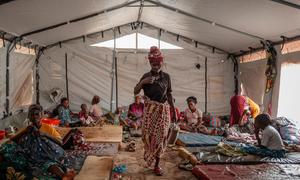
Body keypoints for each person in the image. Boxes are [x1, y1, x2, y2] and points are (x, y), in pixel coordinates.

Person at [134, 46, 177, 176]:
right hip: (149, 112)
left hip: (163, 111)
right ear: (150, 63)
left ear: (161, 63)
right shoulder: (146, 76)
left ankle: (157, 165)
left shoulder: (166, 77)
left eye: (158, 63)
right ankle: (149, 157)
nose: (156, 66)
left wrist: (173, 111)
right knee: (148, 137)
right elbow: (135, 91)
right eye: (153, 63)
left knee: (161, 138)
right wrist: (143, 82)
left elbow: (169, 94)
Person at [4, 104, 76, 179]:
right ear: (29, 117)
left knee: (49, 164)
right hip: (32, 156)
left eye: (37, 114)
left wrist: (44, 134)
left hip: (49, 154)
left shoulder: (48, 128)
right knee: (7, 147)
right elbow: (12, 141)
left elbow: (60, 142)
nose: (34, 116)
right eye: (32, 114)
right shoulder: (27, 129)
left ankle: (63, 176)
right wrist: (24, 131)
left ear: (41, 115)